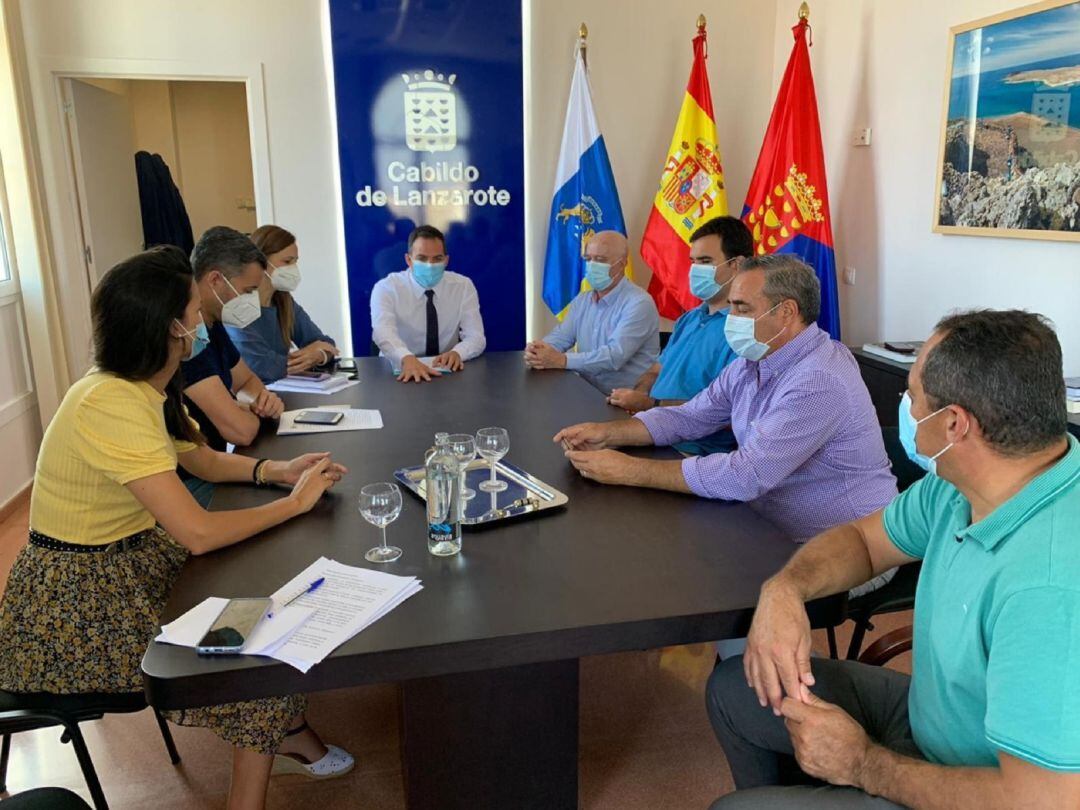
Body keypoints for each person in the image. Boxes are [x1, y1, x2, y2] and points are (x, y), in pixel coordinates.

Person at [0, 246, 355, 810]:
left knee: (261, 610)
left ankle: (289, 734)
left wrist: (276, 471)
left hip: (126, 566)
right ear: (169, 326)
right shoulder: (110, 402)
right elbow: (196, 532)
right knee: (251, 660)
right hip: (78, 612)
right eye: (193, 311)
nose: (200, 323)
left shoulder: (138, 385)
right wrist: (294, 504)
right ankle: (263, 772)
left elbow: (201, 458)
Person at [707, 309, 1080, 809]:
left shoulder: (1050, 588)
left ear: (954, 424)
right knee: (736, 689)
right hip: (934, 723)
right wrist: (785, 589)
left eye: (912, 395)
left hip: (986, 785)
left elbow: (1042, 801)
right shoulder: (962, 484)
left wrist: (862, 765)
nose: (905, 407)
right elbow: (864, 541)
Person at [554, 254, 897, 545]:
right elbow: (691, 417)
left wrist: (631, 470)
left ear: (787, 312)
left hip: (841, 543)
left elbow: (747, 474)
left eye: (742, 308)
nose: (731, 319)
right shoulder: (754, 360)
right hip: (765, 523)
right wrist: (608, 433)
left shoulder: (819, 378)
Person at [607, 216, 753, 455]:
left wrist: (652, 405)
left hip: (690, 451)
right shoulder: (690, 318)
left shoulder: (745, 330)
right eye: (693, 262)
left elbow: (730, 413)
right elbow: (656, 370)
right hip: (650, 429)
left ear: (737, 265)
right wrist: (640, 394)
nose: (695, 271)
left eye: (705, 262)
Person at [182, 227, 285, 506]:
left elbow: (248, 382)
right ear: (215, 279)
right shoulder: (189, 341)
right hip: (191, 483)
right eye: (247, 290)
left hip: (214, 468)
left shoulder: (213, 326)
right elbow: (239, 431)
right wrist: (254, 410)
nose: (251, 299)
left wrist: (253, 403)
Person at [525, 230, 660, 395]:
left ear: (622, 263)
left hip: (626, 401)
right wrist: (539, 351)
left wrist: (562, 360)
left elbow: (614, 357)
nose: (592, 265)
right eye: (588, 259)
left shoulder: (639, 303)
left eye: (601, 260)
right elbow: (561, 338)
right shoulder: (583, 300)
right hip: (586, 393)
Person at [370, 224, 486, 383]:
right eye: (422, 258)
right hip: (399, 372)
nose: (430, 265)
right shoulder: (387, 288)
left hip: (446, 372)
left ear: (446, 260)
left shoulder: (463, 286)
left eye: (437, 258)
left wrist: (458, 353)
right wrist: (406, 358)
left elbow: (476, 336)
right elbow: (382, 332)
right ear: (409, 260)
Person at [225, 224, 339, 383]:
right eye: (287, 261)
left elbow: (325, 343)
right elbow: (264, 366)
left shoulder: (284, 301)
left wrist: (320, 354)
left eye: (295, 261)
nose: (293, 268)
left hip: (284, 392)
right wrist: (310, 354)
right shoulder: (237, 307)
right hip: (252, 398)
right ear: (261, 262)